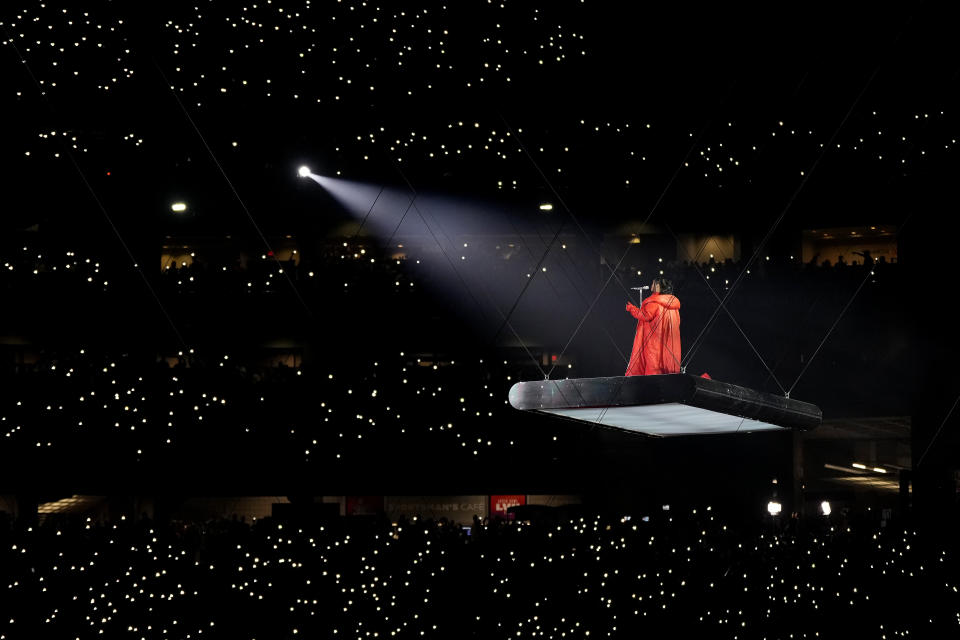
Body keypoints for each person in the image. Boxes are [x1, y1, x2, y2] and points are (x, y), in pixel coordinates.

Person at [625, 276, 681, 376]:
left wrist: (632, 309)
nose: (651, 285)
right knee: (663, 369)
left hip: (653, 341)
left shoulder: (654, 302)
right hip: (667, 342)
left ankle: (650, 388)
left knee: (653, 367)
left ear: (659, 286)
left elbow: (645, 316)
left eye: (654, 283)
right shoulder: (673, 303)